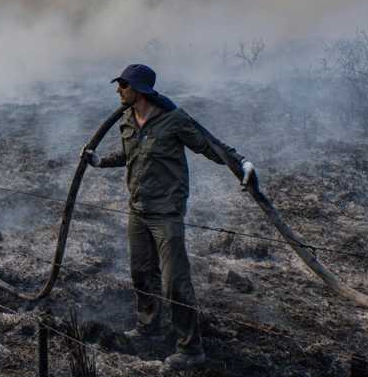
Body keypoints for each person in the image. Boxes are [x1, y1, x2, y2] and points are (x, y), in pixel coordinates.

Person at [82, 64, 255, 370]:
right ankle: (149, 326)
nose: (118, 90)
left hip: (166, 213)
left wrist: (240, 164)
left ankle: (191, 349)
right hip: (138, 209)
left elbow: (208, 145)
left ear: (139, 90)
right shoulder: (127, 118)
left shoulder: (174, 121)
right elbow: (128, 155)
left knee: (175, 281)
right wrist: (100, 161)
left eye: (123, 85)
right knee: (141, 272)